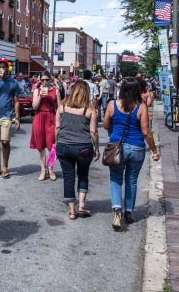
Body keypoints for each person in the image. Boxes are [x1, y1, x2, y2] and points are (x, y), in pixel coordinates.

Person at [103, 77, 160, 230]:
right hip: (136, 148)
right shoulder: (141, 107)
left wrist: (115, 129)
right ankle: (128, 212)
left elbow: (106, 124)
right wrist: (154, 150)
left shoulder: (112, 104)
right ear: (136, 90)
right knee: (132, 180)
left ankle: (117, 211)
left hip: (117, 147)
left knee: (115, 180)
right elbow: (146, 132)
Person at [55, 81, 99, 220]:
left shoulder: (62, 106)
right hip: (83, 147)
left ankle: (72, 211)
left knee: (68, 177)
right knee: (83, 175)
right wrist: (96, 148)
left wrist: (57, 143)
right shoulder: (90, 109)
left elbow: (57, 127)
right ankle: (81, 206)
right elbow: (93, 132)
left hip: (64, 146)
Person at [30, 71, 61, 181]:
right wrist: (40, 96)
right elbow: (34, 107)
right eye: (42, 80)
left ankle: (51, 168)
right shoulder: (36, 90)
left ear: (50, 80)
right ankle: (43, 169)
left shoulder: (55, 91)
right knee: (40, 146)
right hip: (39, 117)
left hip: (51, 117)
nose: (44, 82)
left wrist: (59, 122)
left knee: (52, 146)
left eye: (46, 80)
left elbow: (59, 108)